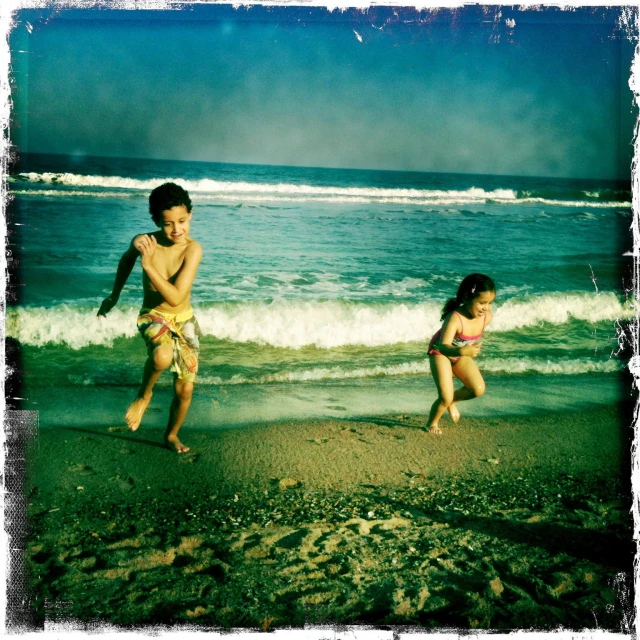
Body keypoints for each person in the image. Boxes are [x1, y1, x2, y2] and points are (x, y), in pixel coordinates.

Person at [97, 182, 203, 453]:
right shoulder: (146, 242)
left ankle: (171, 435)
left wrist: (148, 265)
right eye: (168, 223)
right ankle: (144, 395)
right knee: (162, 357)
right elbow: (125, 260)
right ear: (157, 220)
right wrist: (114, 295)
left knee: (185, 391)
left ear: (190, 214)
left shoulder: (192, 250)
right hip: (153, 316)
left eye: (181, 220)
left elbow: (177, 297)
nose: (176, 229)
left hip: (185, 320)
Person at [426, 273, 496, 435]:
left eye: (490, 303)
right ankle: (432, 423)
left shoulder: (487, 317)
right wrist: (463, 351)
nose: (486, 308)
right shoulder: (455, 318)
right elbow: (443, 346)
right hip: (440, 352)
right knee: (445, 396)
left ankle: (452, 402)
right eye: (482, 303)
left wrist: (465, 351)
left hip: (460, 354)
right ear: (467, 297)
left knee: (477, 389)